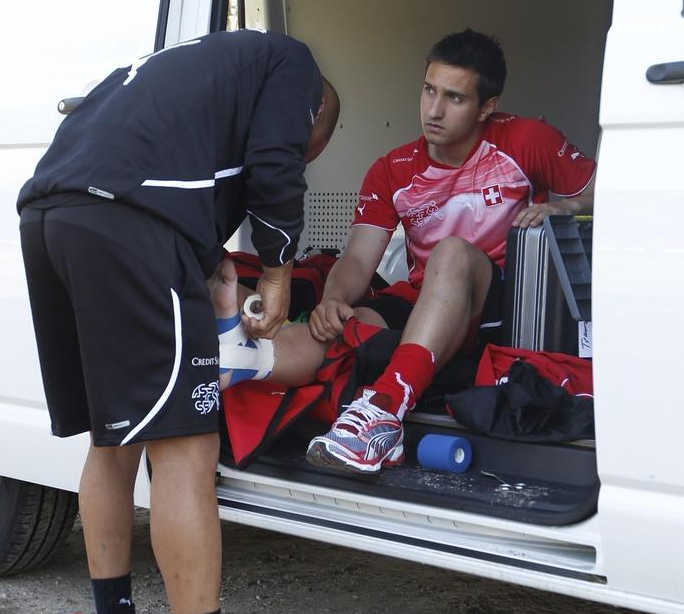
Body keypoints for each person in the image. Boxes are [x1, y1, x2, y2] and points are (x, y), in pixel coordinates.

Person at [17, 29, 339, 614]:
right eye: (316, 142)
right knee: (186, 451)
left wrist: (208, 272)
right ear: (317, 113)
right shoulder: (294, 68)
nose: (305, 150)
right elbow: (273, 166)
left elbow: (203, 178)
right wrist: (279, 271)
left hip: (51, 215)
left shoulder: (184, 69)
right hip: (129, 222)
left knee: (116, 439)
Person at [216, 28, 595, 475]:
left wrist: (562, 206)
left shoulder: (528, 140)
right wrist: (333, 300)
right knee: (339, 326)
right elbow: (357, 259)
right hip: (428, 300)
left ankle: (384, 410)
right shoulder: (392, 169)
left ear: (487, 107)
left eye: (454, 98)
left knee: (451, 253)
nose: (434, 110)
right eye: (429, 90)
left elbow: (610, 193)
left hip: (505, 303)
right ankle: (225, 364)